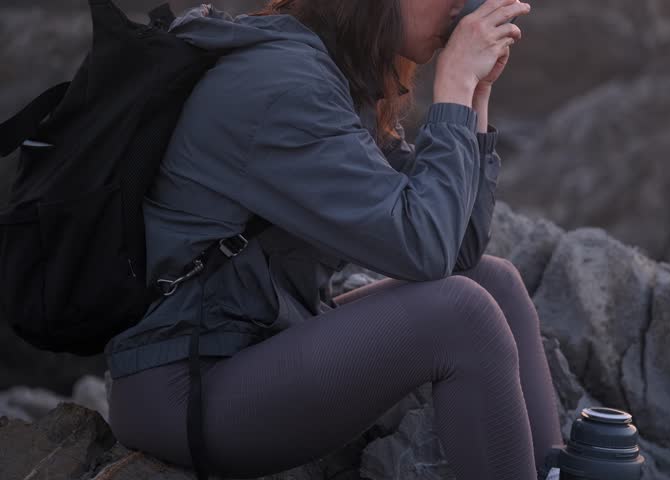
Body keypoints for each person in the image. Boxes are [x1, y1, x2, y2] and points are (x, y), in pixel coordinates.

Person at [105, 0, 563, 478]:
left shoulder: (331, 72)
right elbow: (423, 248)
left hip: (255, 353)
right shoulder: (283, 85)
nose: (461, 7)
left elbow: (459, 248)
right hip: (186, 388)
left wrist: (475, 95)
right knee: (461, 313)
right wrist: (452, 86)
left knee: (495, 282)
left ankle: (555, 472)